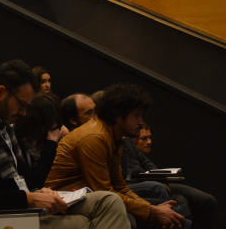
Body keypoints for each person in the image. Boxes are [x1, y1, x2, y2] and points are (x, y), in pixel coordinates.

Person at [0, 60, 130, 229]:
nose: (23, 113)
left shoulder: (4, 126)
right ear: (0, 92)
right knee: (82, 223)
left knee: (109, 201)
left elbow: (27, 180)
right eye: (22, 105)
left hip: (23, 206)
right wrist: (28, 199)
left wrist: (39, 192)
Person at [45, 83, 187, 229]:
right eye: (136, 115)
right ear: (118, 116)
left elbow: (120, 186)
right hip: (62, 199)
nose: (141, 122)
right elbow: (104, 193)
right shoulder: (94, 137)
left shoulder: (115, 137)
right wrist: (152, 211)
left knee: (176, 215)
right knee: (150, 217)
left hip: (86, 196)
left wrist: (151, 209)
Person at [123, 124, 217, 229]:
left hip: (146, 180)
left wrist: (159, 177)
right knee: (171, 197)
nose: (149, 142)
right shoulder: (112, 140)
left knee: (207, 201)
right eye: (144, 138)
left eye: (150, 138)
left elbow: (144, 161)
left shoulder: (126, 140)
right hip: (135, 183)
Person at [15, 92, 68, 167]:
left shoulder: (59, 131)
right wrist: (50, 144)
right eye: (47, 130)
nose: (51, 135)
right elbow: (36, 174)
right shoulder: (18, 140)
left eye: (53, 130)